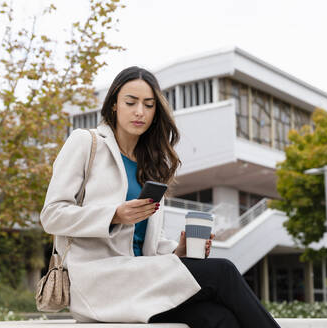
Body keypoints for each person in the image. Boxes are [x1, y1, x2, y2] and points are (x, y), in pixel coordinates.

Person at [40, 66, 280, 328]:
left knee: (219, 319)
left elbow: (145, 245)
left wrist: (179, 251)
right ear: (113, 106)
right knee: (223, 271)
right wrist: (114, 214)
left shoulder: (150, 164)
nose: (140, 111)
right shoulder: (86, 142)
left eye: (149, 105)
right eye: (130, 102)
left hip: (142, 281)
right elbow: (52, 215)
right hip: (101, 281)